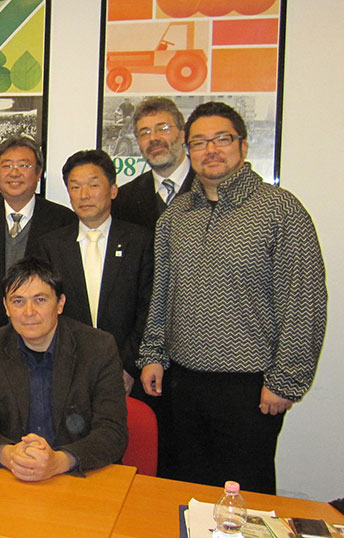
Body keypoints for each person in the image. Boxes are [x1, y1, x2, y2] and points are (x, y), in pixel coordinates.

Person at [138, 101, 327, 494]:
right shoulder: (176, 217)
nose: (211, 150)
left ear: (242, 145)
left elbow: (303, 300)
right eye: (200, 142)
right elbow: (163, 294)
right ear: (189, 151)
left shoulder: (279, 209)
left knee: (244, 500)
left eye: (221, 139)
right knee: (183, 493)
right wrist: (153, 354)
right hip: (182, 384)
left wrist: (286, 381)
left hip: (250, 389)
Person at [0, 256, 127, 481]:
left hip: (79, 478)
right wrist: (6, 454)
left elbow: (113, 431)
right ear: (6, 307)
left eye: (40, 300)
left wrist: (60, 461)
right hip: (11, 475)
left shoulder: (98, 348)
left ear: (60, 303)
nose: (28, 312)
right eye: (18, 301)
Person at [33, 149, 152, 397]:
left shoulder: (139, 241)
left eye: (93, 185)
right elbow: (46, 308)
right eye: (75, 187)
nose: (84, 195)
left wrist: (127, 367)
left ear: (113, 190)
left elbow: (148, 309)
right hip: (66, 370)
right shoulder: (51, 246)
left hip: (129, 371)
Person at [0, 135, 75, 331]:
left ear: (38, 174)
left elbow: (66, 283)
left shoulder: (61, 220)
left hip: (43, 330)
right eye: (7, 166)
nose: (14, 173)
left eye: (24, 166)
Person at [112, 97, 194, 231]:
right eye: (145, 133)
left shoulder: (212, 186)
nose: (154, 138)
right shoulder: (124, 200)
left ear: (182, 135)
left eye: (163, 129)